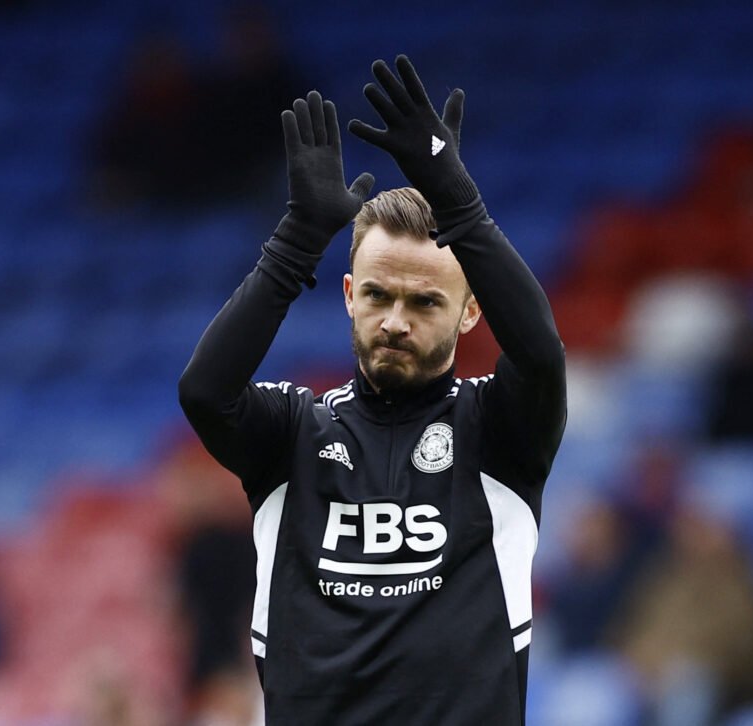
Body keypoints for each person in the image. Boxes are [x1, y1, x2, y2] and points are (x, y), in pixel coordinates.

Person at [178, 55, 567, 725]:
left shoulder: (500, 430)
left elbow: (540, 355)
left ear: (471, 312)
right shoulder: (293, 432)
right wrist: (298, 237)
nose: (395, 321)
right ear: (350, 297)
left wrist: (459, 202)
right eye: (379, 295)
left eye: (424, 302)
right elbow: (205, 393)